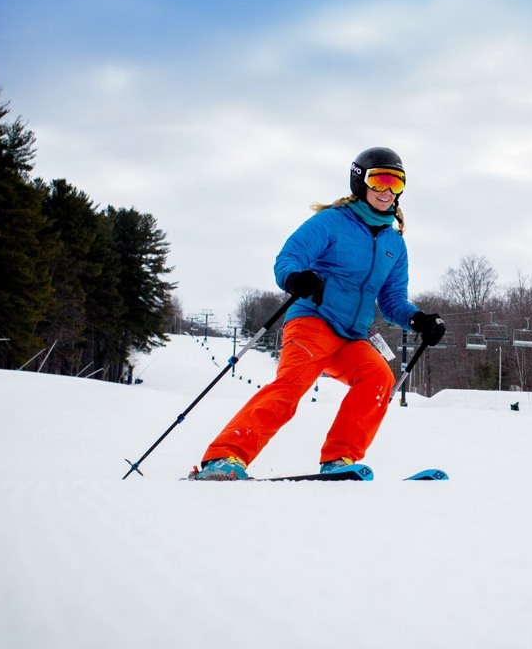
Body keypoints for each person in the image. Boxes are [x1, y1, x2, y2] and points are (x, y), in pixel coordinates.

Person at [191, 147, 445, 480]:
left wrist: (418, 319)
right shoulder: (332, 222)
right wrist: (296, 278)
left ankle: (340, 459)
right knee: (291, 386)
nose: (387, 190)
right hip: (313, 321)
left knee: (378, 378)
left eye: (396, 183)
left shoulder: (394, 244)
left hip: (351, 336)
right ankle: (225, 457)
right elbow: (289, 258)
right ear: (360, 182)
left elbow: (392, 299)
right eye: (380, 180)